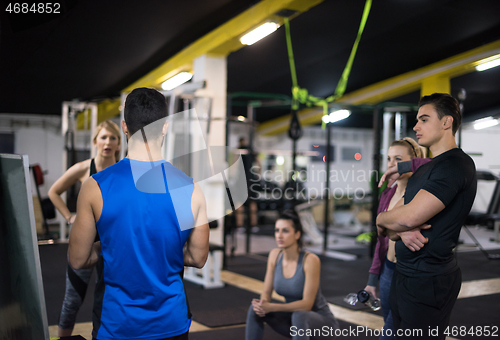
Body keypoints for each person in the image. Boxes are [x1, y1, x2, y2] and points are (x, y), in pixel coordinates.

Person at [68, 88, 209, 339]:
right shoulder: (192, 189)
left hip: (118, 325)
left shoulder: (95, 186)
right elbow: (198, 258)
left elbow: (78, 260)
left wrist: (108, 247)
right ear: (165, 127)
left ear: (124, 127)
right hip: (171, 324)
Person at [376, 93, 477, 339]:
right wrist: (394, 225)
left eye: (424, 119)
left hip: (428, 280)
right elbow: (392, 228)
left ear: (446, 122)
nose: (415, 126)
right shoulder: (428, 169)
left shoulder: (456, 165)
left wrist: (383, 219)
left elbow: (405, 217)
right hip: (405, 275)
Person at [48, 119, 121, 337]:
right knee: (73, 300)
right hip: (85, 239)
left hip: (112, 241)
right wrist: (70, 217)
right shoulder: (83, 169)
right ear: (95, 141)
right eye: (103, 137)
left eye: (113, 138)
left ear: (119, 143)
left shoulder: (123, 170)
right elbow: (53, 192)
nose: (108, 142)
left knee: (107, 297)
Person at [364, 137, 428, 340]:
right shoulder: (387, 194)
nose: (392, 164)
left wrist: (409, 166)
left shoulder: (421, 194)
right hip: (387, 272)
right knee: (390, 328)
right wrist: (372, 280)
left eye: (398, 159)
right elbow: (380, 241)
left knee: (391, 334)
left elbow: (440, 165)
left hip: (408, 273)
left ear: (412, 161)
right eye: (389, 159)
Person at [246, 210, 338, 340]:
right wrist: (262, 305)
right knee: (254, 310)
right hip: (295, 322)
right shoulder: (275, 255)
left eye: (285, 231)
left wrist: (272, 307)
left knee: (300, 314)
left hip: (321, 326)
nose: (279, 235)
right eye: (277, 230)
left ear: (297, 234)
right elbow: (266, 293)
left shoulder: (310, 260)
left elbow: (307, 304)